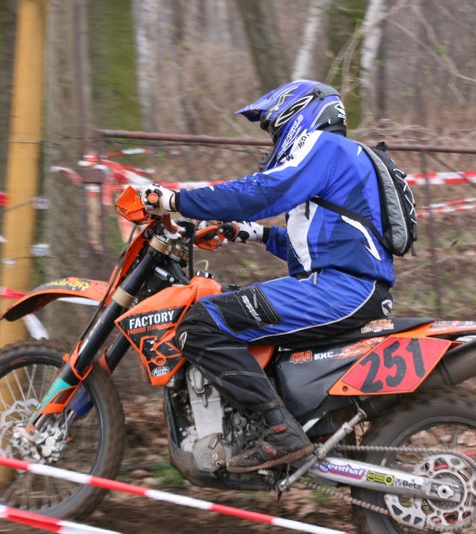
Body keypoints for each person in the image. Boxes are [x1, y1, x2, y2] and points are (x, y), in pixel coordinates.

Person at [139, 80, 395, 473]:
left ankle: (280, 433)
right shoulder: (343, 160)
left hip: (339, 291)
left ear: (299, 115)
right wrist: (252, 233)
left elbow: (261, 193)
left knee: (200, 324)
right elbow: (318, 246)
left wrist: (175, 200)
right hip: (341, 286)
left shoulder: (326, 147)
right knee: (230, 304)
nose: (273, 141)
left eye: (274, 130)